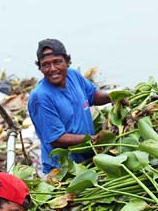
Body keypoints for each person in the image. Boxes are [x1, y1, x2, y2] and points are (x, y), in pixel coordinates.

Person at [28, 38, 111, 175]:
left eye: (57, 62)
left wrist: (113, 97)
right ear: (41, 68)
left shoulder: (73, 75)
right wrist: (94, 139)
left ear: (67, 62)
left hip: (88, 160)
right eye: (46, 65)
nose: (53, 69)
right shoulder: (41, 97)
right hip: (63, 170)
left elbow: (92, 95)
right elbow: (56, 139)